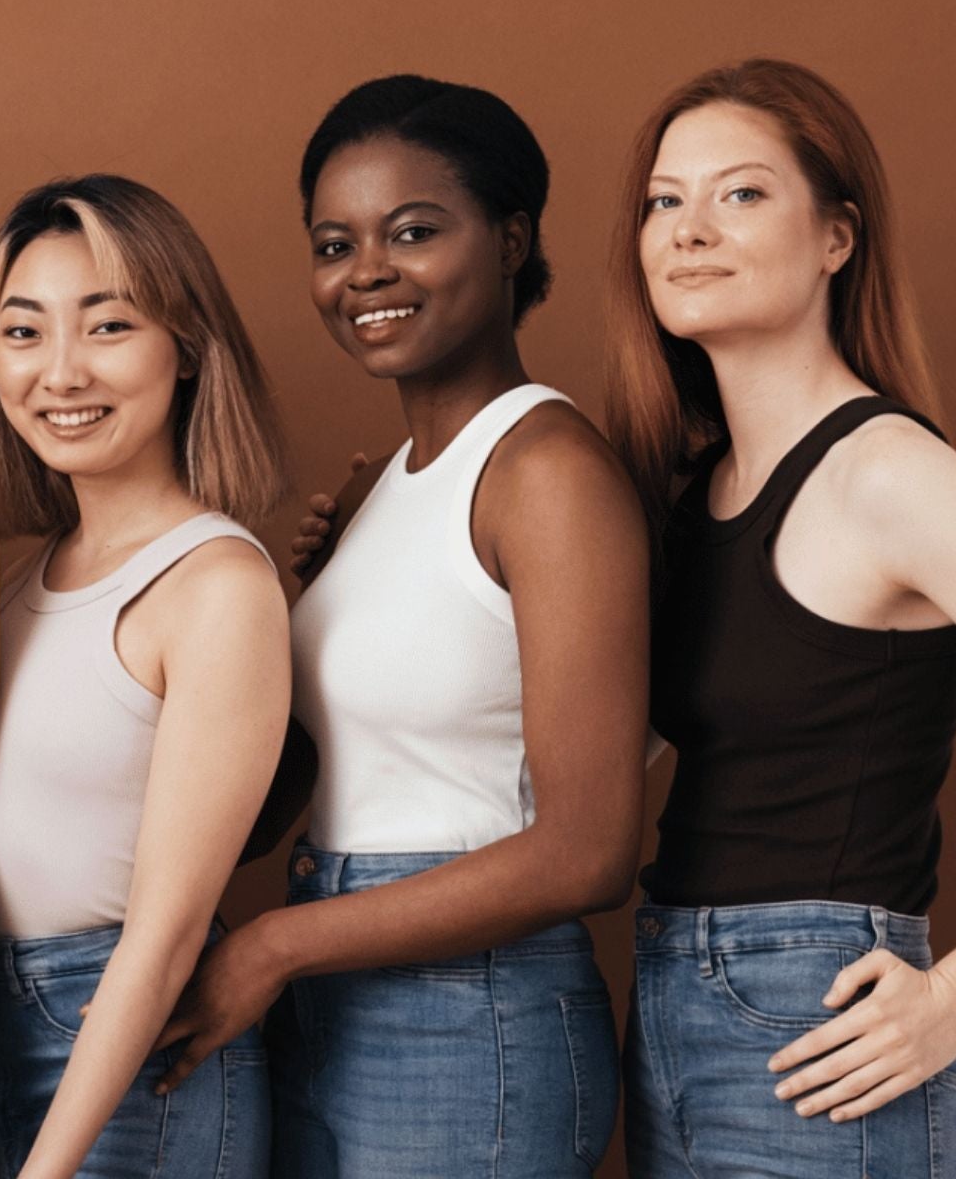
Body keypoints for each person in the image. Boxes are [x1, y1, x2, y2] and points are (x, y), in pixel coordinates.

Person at [608, 58, 956, 1177]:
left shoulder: (887, 473)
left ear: (837, 238)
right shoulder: (692, 492)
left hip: (819, 1021)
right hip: (671, 1005)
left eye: (741, 193)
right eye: (666, 200)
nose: (689, 229)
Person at [160, 75, 650, 1176]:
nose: (366, 272)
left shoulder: (549, 474)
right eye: (334, 244)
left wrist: (275, 948)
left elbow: (588, 850)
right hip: (335, 990)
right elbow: (299, 777)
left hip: (465, 1014)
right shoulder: (382, 485)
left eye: (413, 231)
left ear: (513, 238)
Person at [0, 175, 287, 1177]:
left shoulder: (218, 584)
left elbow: (168, 931)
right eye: (24, 333)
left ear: (185, 348)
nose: (60, 373)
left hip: (123, 1046)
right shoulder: (6, 570)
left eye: (106, 327)